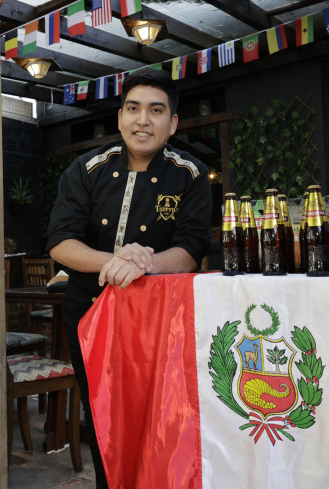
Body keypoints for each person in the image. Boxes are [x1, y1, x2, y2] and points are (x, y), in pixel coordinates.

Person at [47, 68, 213, 487]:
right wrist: (116, 260)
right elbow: (60, 243)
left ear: (172, 122)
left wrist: (144, 263)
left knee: (163, 414)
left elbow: (191, 248)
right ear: (120, 116)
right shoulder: (86, 169)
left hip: (161, 319)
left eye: (156, 111)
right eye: (134, 109)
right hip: (89, 312)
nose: (144, 120)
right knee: (103, 417)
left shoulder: (190, 174)